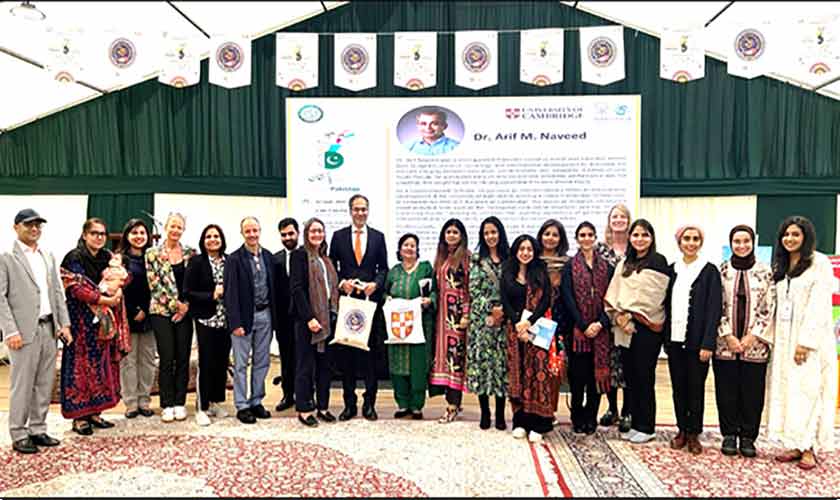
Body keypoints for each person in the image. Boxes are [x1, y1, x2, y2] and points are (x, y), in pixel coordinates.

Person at [767, 216, 837, 470]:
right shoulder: (782, 264)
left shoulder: (819, 263)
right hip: (784, 339)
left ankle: (810, 447)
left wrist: (805, 343)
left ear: (806, 236)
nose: (790, 239)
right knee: (789, 392)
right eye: (786, 234)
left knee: (809, 391)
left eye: (795, 234)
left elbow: (819, 305)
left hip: (809, 341)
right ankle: (795, 442)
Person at [0, 209, 72, 454]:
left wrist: (64, 324)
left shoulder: (48, 255)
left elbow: (57, 293)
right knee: (22, 384)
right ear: (16, 227)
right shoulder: (6, 257)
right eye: (29, 225)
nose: (34, 229)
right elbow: (0, 298)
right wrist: (9, 331)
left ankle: (38, 429)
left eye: (38, 225)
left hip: (49, 328)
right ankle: (19, 433)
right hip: (22, 332)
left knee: (44, 382)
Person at [604, 219, 669, 444]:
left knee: (644, 376)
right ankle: (637, 422)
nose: (640, 239)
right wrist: (619, 316)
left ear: (651, 238)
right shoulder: (625, 263)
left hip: (646, 329)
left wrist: (631, 314)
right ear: (630, 238)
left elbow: (654, 298)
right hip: (624, 328)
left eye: (645, 235)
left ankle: (647, 426)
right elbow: (614, 293)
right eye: (636, 235)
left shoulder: (658, 262)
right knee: (631, 377)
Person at [60, 218, 127, 435]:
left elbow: (124, 277)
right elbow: (76, 288)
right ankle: (79, 417)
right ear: (85, 235)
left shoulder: (108, 257)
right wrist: (105, 300)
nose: (99, 237)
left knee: (100, 367)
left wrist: (118, 290)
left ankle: (96, 413)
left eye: (102, 234)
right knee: (79, 369)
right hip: (80, 324)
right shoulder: (74, 257)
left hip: (102, 325)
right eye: (94, 233)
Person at [714, 224, 775, 458]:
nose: (741, 246)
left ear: (753, 243)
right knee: (726, 389)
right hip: (725, 344)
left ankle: (748, 436)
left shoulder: (765, 272)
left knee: (752, 392)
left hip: (755, 345)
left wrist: (752, 336)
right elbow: (715, 306)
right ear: (731, 244)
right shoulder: (721, 271)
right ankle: (729, 434)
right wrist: (727, 334)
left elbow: (769, 308)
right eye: (737, 242)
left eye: (746, 241)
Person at [328, 194, 389, 422]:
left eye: (364, 209)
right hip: (347, 305)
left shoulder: (378, 237)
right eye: (356, 209)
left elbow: (383, 268)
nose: (360, 213)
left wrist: (375, 285)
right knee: (347, 357)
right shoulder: (339, 236)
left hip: (369, 305)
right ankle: (349, 404)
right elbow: (332, 266)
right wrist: (342, 283)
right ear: (350, 211)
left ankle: (370, 403)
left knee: (369, 356)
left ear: (368, 211)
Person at [664, 224, 722, 455]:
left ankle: (694, 433)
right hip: (674, 340)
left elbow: (714, 309)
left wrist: (708, 342)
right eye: (686, 238)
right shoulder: (671, 269)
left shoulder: (709, 271)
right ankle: (681, 429)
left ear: (701, 242)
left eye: (695, 238)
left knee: (695, 388)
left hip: (699, 343)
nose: (690, 242)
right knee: (678, 387)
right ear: (679, 242)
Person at [501, 234, 559, 443]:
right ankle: (520, 421)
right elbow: (505, 300)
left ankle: (540, 424)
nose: (525, 253)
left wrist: (529, 322)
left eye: (529, 249)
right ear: (516, 251)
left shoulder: (540, 272)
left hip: (538, 329)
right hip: (515, 331)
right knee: (518, 376)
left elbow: (546, 301)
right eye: (521, 249)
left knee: (538, 375)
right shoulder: (507, 272)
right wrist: (518, 323)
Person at [560, 222, 614, 435]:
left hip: (601, 332)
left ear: (595, 237)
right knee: (578, 379)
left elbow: (611, 299)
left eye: (590, 234)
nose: (586, 238)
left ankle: (591, 416)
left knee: (595, 379)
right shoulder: (569, 267)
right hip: (578, 332)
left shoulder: (606, 267)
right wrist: (583, 325)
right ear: (577, 238)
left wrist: (600, 323)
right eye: (582, 235)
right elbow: (567, 298)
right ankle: (577, 417)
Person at [224, 216, 277, 424]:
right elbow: (230, 293)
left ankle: (256, 401)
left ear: (260, 231)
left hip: (265, 316)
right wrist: (234, 322)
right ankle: (242, 404)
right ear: (242, 233)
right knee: (240, 364)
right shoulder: (234, 259)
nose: (252, 234)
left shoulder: (269, 257)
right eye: (248, 231)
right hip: (243, 319)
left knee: (262, 362)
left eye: (255, 230)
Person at [145, 212, 196, 423]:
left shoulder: (190, 253)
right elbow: (154, 285)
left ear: (183, 230)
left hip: (185, 312)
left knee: (183, 358)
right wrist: (177, 307)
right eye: (172, 226)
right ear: (166, 227)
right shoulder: (152, 253)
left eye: (179, 227)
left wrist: (186, 307)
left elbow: (195, 283)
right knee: (167, 358)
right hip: (161, 312)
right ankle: (166, 403)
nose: (175, 230)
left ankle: (179, 402)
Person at [289, 217, 339, 427]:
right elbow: (297, 289)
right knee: (305, 367)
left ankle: (323, 406)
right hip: (307, 322)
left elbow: (330, 289)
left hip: (327, 321)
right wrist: (309, 317)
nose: (317, 234)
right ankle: (304, 408)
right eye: (313, 231)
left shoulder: (325, 259)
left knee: (325, 367)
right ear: (306, 234)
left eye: (320, 231)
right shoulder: (300, 255)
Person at [385, 233, 437, 420]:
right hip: (397, 327)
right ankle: (402, 404)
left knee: (418, 364)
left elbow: (435, 292)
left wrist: (429, 301)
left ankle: (416, 406)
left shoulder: (425, 269)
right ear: (399, 249)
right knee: (398, 365)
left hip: (420, 325)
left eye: (412, 245)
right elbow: (384, 293)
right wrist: (388, 300)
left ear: (417, 249)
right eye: (405, 245)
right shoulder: (394, 272)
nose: (409, 248)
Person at [184, 224, 232, 426]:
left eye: (216, 236)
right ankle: (201, 407)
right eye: (208, 236)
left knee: (221, 363)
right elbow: (188, 291)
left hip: (226, 320)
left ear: (222, 239)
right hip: (205, 319)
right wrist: (211, 295)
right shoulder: (196, 262)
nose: (213, 239)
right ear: (203, 241)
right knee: (206, 363)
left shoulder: (230, 261)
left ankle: (215, 402)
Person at [466, 217, 510, 430]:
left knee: (501, 367)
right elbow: (474, 290)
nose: (490, 236)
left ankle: (501, 414)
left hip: (505, 320)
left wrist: (503, 311)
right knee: (482, 366)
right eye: (486, 233)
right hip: (482, 321)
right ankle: (485, 412)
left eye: (494, 232)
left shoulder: (509, 258)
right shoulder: (476, 259)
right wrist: (490, 309)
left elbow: (513, 287)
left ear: (500, 233)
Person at [595, 203, 632, 432]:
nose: (618, 220)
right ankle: (612, 409)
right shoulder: (600, 249)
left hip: (629, 316)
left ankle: (628, 410)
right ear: (609, 221)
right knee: (609, 363)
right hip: (607, 314)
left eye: (623, 217)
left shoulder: (635, 248)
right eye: (614, 217)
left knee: (627, 364)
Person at [430, 218, 471, 423]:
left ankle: (452, 405)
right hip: (442, 318)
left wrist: (465, 313)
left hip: (457, 318)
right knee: (445, 361)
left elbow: (469, 287)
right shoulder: (441, 258)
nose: (452, 235)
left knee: (455, 360)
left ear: (462, 235)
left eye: (455, 232)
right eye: (448, 232)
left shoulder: (466, 258)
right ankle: (454, 402)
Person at [116, 218, 155, 419]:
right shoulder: (120, 260)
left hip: (150, 316)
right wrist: (133, 311)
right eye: (134, 233)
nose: (139, 236)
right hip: (127, 317)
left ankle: (144, 400)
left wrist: (147, 310)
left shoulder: (154, 257)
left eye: (142, 232)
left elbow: (159, 286)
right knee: (128, 361)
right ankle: (131, 403)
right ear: (127, 236)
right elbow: (117, 289)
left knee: (147, 360)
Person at [273, 217, 299, 412]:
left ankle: (305, 394)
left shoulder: (307, 256)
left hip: (303, 318)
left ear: (298, 233)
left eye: (291, 233)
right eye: (284, 235)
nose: (288, 237)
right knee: (286, 357)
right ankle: (287, 395)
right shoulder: (275, 259)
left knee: (304, 359)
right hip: (283, 319)